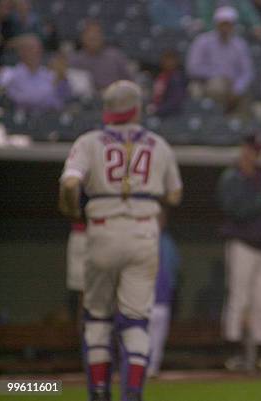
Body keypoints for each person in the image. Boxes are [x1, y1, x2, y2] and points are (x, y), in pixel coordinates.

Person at [58, 80, 183, 401]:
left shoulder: (89, 142)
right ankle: (132, 393)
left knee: (97, 317)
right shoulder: (158, 143)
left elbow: (71, 184)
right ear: (136, 108)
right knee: (136, 321)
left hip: (102, 228)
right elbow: (175, 192)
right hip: (144, 230)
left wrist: (74, 209)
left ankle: (99, 392)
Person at [216, 134, 261, 371]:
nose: (253, 154)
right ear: (243, 149)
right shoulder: (232, 178)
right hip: (242, 244)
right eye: (250, 149)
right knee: (239, 299)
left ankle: (260, 354)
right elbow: (237, 211)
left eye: (257, 150)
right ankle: (232, 353)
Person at [186, 6, 253, 113]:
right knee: (214, 86)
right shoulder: (202, 41)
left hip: (232, 85)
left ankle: (232, 123)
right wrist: (219, 75)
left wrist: (237, 89)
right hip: (205, 82)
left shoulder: (240, 44)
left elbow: (247, 72)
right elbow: (193, 68)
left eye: (229, 24)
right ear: (216, 24)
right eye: (223, 24)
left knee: (249, 101)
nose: (225, 28)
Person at [0, 34, 71, 113]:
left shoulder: (48, 74)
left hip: (47, 119)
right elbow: (18, 99)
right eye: (31, 49)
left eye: (38, 49)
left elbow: (61, 100)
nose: (36, 52)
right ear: (21, 52)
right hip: (20, 119)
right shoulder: (10, 74)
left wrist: (62, 78)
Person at [147, 209, 181, 378]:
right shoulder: (141, 239)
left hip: (162, 299)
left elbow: (175, 270)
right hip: (142, 300)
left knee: (158, 339)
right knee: (139, 337)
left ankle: (153, 369)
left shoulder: (167, 242)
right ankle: (139, 369)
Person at [69, 20, 133, 91]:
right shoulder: (75, 60)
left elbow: (129, 83)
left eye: (96, 34)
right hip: (86, 98)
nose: (93, 37)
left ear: (102, 36)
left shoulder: (115, 56)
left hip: (114, 97)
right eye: (90, 36)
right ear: (83, 38)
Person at [150, 50, 187, 118]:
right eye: (166, 59)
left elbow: (175, 101)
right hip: (159, 111)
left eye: (171, 60)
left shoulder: (177, 78)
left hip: (172, 114)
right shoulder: (160, 76)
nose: (169, 63)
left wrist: (158, 110)